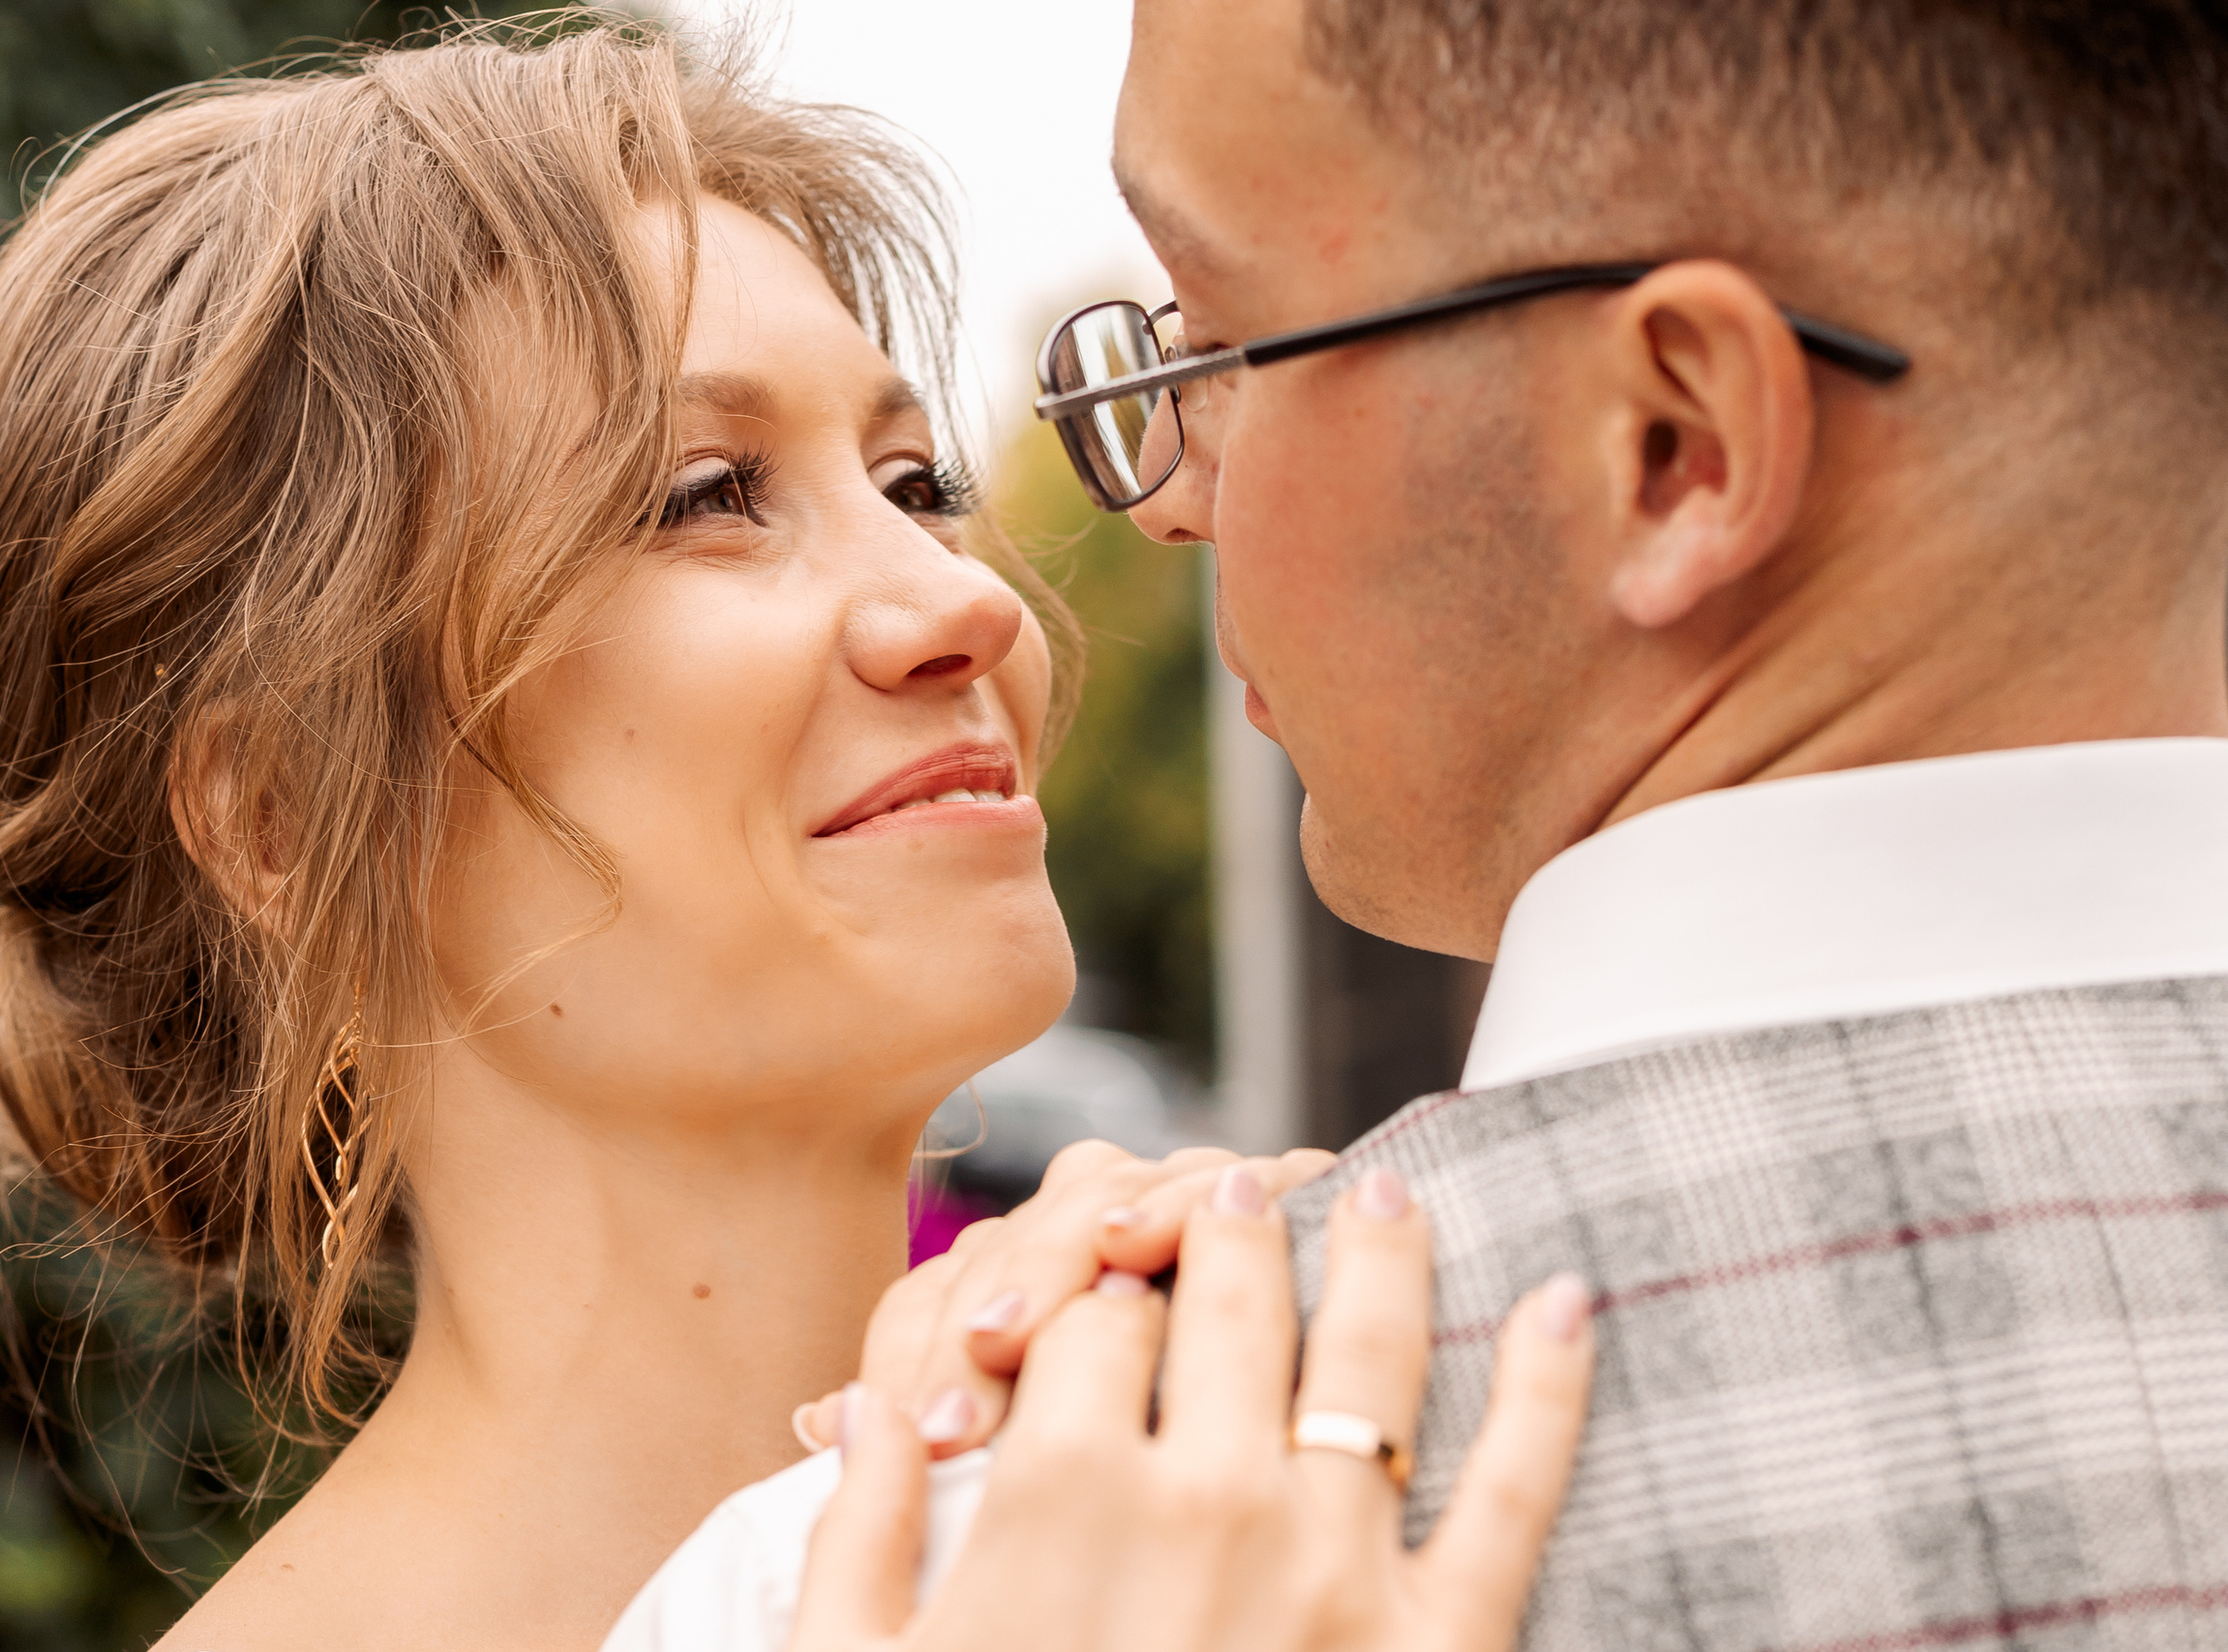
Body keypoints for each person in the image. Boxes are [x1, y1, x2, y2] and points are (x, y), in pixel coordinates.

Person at [0, 16, 1595, 1651]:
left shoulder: (1293, 1407)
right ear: (284, 816)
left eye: (916, 484)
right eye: (709, 498)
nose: (965, 601)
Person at [617, 0, 2228, 1648]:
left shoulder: (928, 1562)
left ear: (1673, 446)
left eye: (1222, 342)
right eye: (709, 497)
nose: (1169, 497)